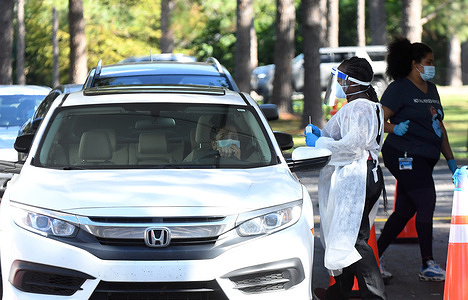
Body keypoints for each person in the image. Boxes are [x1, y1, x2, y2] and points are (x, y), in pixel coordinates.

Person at [376, 37, 457, 282]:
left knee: (404, 210)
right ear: (414, 64)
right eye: (428, 62)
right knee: (426, 201)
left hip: (426, 156)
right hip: (404, 154)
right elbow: (378, 119)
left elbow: (438, 126)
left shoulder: (431, 89)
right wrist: (394, 128)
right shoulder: (399, 88)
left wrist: (451, 161)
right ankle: (427, 264)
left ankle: (372, 259)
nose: (432, 66)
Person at [310, 57, 387, 300]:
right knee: (344, 235)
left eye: (342, 79)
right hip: (361, 177)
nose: (339, 84)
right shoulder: (361, 106)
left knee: (354, 240)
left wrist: (320, 143)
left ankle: (375, 295)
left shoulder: (360, 107)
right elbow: (339, 136)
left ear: (353, 82)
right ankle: (338, 292)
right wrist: (320, 135)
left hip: (358, 178)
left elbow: (352, 147)